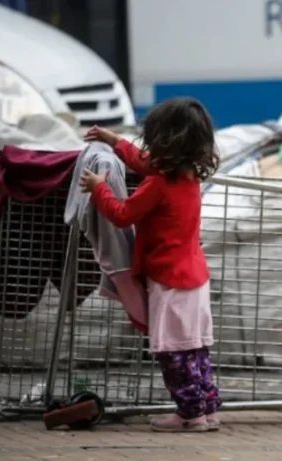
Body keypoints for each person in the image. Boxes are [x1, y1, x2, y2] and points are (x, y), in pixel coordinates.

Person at [79, 97, 221, 432]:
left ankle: (190, 415)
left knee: (172, 352)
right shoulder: (187, 176)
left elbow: (123, 214)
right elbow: (144, 162)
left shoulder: (158, 184)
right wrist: (115, 142)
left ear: (163, 141)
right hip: (194, 277)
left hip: (170, 281)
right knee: (197, 350)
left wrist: (99, 189)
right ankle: (208, 408)